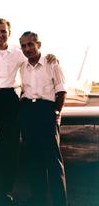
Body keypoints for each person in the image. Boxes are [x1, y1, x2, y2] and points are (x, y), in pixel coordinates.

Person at [0, 19, 56, 206]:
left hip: (10, 101)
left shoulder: (18, 53)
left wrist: (51, 56)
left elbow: (35, 57)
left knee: (10, 149)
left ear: (9, 32)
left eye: (3, 31)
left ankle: (5, 192)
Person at [19, 31, 68, 206]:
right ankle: (37, 199)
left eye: (30, 44)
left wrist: (56, 113)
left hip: (46, 110)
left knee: (53, 160)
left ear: (38, 44)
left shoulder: (51, 63)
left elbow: (61, 91)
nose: (27, 49)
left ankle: (60, 202)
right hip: (27, 111)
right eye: (24, 46)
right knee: (33, 159)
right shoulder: (22, 66)